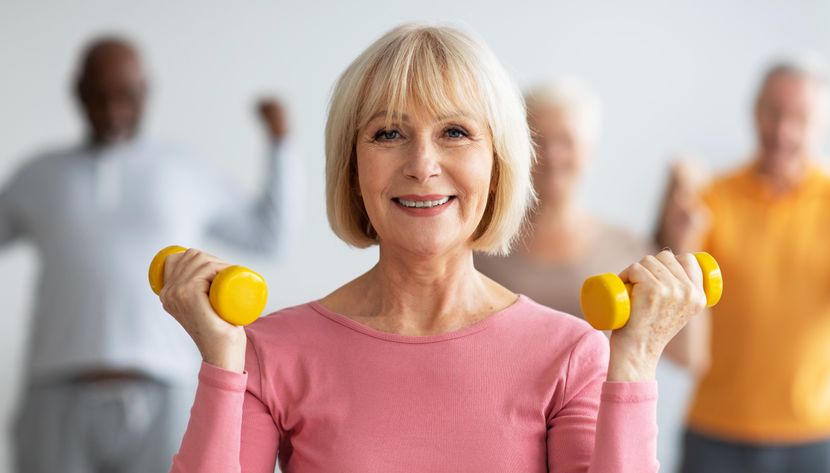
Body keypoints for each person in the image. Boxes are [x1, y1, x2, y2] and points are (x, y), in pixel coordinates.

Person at [161, 24, 705, 473]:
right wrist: (220, 361)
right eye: (389, 134)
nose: (422, 165)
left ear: (498, 168)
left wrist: (633, 362)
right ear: (353, 171)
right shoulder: (271, 350)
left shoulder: (571, 355)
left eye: (455, 132)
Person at [2, 37, 302, 473]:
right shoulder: (40, 174)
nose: (111, 109)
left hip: (165, 393)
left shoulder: (183, 168)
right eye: (98, 96)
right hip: (56, 393)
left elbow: (268, 235)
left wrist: (281, 145)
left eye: (124, 95)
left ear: (145, 92)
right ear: (78, 92)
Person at [658, 57, 830, 473]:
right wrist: (678, 232)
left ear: (823, 125)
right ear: (755, 111)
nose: (783, 131)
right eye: (773, 113)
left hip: (816, 434)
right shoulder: (710, 199)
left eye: (800, 118)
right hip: (714, 430)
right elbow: (681, 321)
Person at [475, 79, 652, 317]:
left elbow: (687, 352)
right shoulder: (482, 241)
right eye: (538, 141)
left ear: (591, 150)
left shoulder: (626, 248)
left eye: (566, 141)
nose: (553, 155)